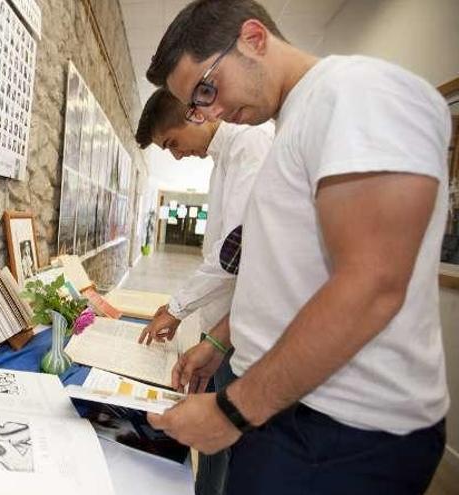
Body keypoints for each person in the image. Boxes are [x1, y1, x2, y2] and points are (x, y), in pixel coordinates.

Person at [143, 1, 450, 493]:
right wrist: (225, 340)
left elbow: (372, 284)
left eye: (207, 88)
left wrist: (231, 411)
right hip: (288, 410)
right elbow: (289, 279)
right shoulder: (299, 118)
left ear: (254, 38)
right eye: (199, 106)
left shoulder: (356, 93)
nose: (213, 112)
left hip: (336, 432)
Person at [134, 87, 272, 495]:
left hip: (239, 334)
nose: (176, 156)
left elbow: (237, 249)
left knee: (232, 446)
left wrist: (177, 308)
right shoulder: (224, 157)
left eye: (172, 144)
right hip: (221, 332)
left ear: (195, 115)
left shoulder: (251, 144)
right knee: (210, 445)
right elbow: (220, 253)